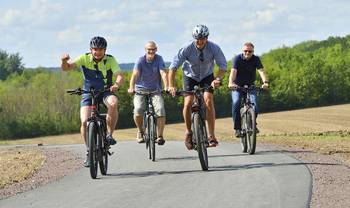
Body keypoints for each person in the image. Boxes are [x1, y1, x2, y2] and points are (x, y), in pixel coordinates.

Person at [61, 36, 123, 167]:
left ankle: (109, 135)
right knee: (84, 121)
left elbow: (119, 75)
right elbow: (67, 68)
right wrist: (63, 61)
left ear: (105, 50)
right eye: (95, 49)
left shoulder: (110, 59)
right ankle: (89, 151)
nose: (97, 52)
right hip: (88, 92)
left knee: (113, 103)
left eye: (100, 49)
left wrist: (116, 84)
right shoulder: (84, 58)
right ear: (91, 49)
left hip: (106, 90)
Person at [168, 24, 227, 150]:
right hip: (190, 76)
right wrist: (171, 86)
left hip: (207, 76)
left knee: (208, 100)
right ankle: (188, 132)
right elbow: (172, 68)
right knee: (188, 102)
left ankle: (211, 135)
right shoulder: (186, 48)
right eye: (197, 39)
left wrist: (217, 79)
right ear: (194, 38)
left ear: (207, 37)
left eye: (203, 39)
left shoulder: (214, 48)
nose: (200, 42)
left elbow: (223, 67)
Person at [128, 41, 168, 145]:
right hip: (140, 90)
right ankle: (140, 131)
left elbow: (163, 73)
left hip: (155, 90)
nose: (151, 51)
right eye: (149, 49)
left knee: (160, 109)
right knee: (138, 109)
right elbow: (135, 74)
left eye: (153, 49)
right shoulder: (140, 60)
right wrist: (131, 87)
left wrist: (167, 86)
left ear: (156, 49)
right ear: (145, 50)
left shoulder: (159, 59)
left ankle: (160, 136)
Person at [228, 42, 269, 138]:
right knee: (236, 102)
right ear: (243, 51)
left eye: (250, 51)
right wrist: (231, 83)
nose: (247, 53)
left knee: (254, 105)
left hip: (250, 86)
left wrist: (265, 82)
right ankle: (237, 128)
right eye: (245, 51)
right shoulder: (237, 59)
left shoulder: (256, 59)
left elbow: (261, 71)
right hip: (237, 86)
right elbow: (233, 72)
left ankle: (253, 124)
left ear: (253, 51)